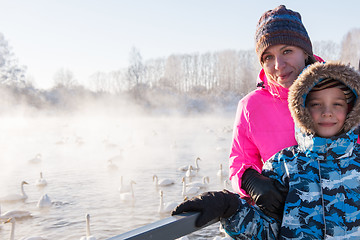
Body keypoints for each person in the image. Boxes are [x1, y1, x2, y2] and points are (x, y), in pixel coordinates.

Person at [172, 61, 360, 239]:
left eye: (337, 104)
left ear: (351, 110)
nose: (327, 112)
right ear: (302, 109)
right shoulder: (283, 165)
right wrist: (231, 208)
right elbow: (266, 231)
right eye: (316, 104)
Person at [229, 5, 324, 220]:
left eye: (287, 51)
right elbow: (239, 161)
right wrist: (251, 181)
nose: (278, 65)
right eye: (268, 57)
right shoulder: (250, 106)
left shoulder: (339, 92)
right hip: (288, 223)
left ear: (305, 51)